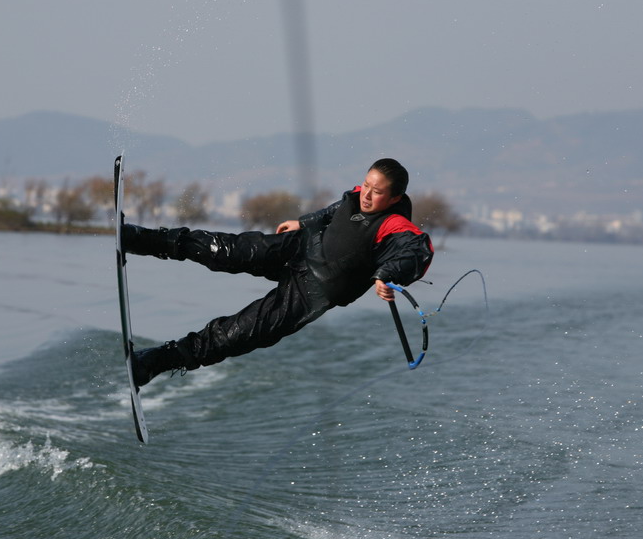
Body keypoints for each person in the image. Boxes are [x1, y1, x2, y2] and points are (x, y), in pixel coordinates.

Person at [122, 158, 433, 387]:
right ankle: (140, 238)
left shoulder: (397, 227)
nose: (366, 194)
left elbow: (418, 253)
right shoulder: (357, 195)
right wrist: (305, 222)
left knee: (241, 332)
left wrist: (386, 274)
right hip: (298, 247)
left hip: (314, 291)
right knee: (225, 250)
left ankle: (153, 362)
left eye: (376, 192)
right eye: (366, 184)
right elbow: (336, 210)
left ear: (394, 199)